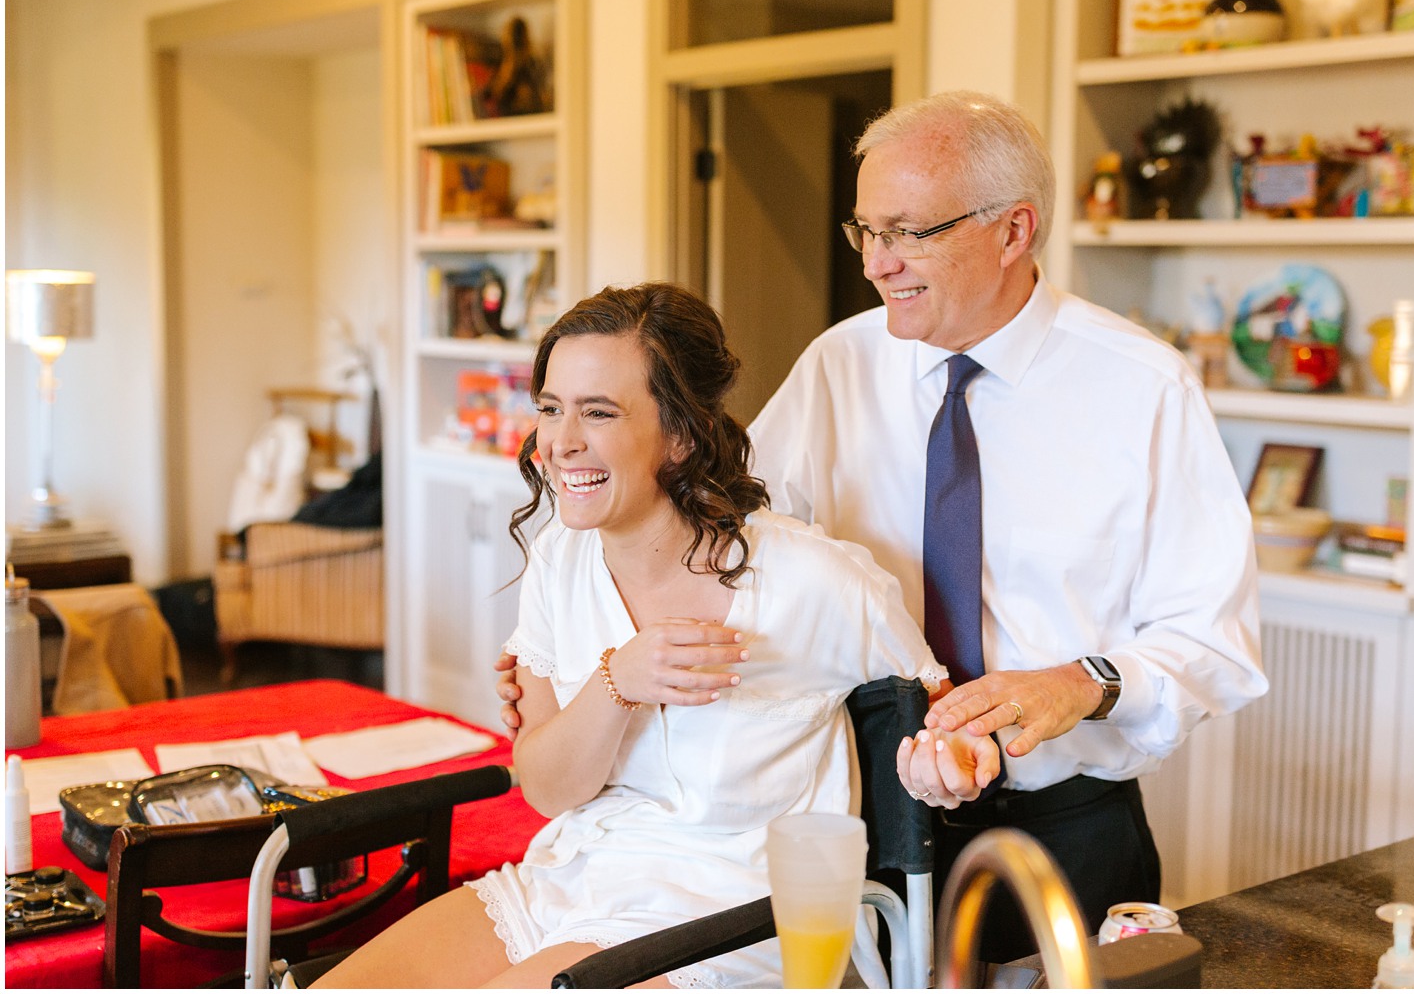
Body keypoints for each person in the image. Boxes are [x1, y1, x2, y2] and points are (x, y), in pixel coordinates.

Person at [330, 284, 995, 990]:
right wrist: (618, 681)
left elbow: (947, 721)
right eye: (552, 408)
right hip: (569, 879)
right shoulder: (561, 558)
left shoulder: (814, 579)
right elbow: (551, 789)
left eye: (599, 412)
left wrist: (949, 759)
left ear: (680, 433)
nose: (561, 441)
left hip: (731, 920)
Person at [747, 91, 1267, 966]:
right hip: (869, 812)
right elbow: (740, 554)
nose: (877, 263)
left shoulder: (1144, 386)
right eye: (865, 229)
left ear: (1014, 229)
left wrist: (1081, 681)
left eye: (909, 231)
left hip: (1070, 827)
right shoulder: (837, 364)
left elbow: (1216, 643)